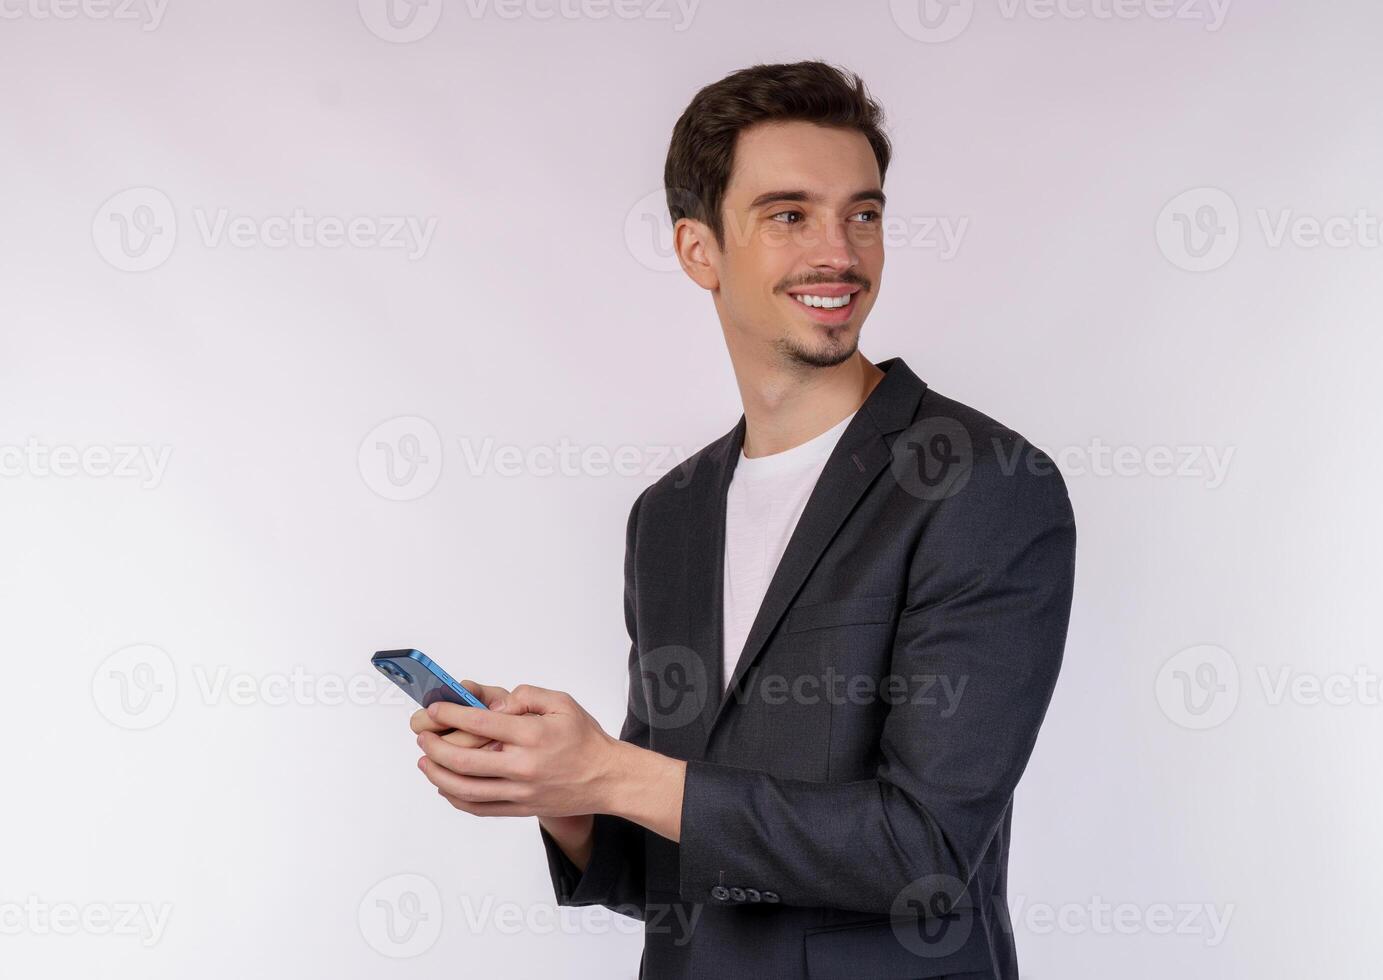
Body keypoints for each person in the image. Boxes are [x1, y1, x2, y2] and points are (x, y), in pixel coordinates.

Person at [409, 59, 1076, 979]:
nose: (838, 253)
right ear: (699, 250)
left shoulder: (986, 484)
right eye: (789, 214)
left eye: (864, 214)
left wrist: (609, 771)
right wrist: (558, 791)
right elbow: (673, 850)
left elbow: (922, 851)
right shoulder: (668, 518)